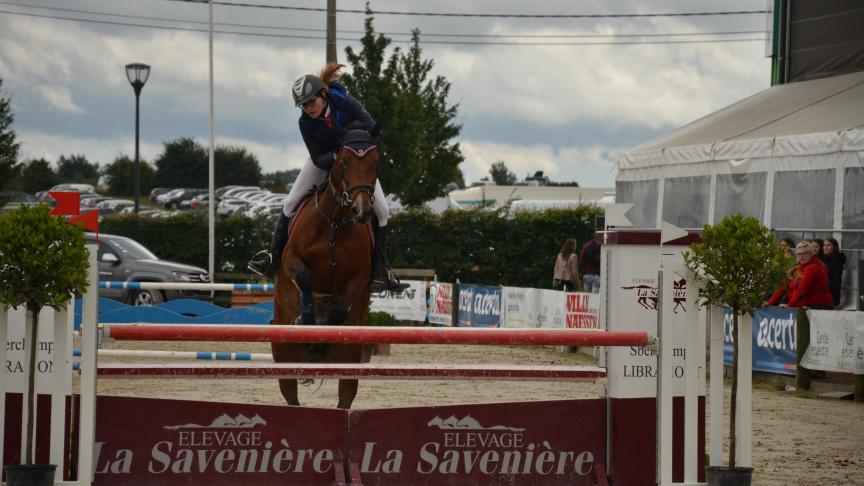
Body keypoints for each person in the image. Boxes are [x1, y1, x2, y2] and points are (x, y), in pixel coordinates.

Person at [248, 63, 407, 292]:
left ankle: (380, 271)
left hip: (354, 162)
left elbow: (374, 131)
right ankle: (272, 258)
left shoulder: (346, 104)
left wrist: (357, 148)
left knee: (383, 211)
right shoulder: (305, 122)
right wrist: (333, 156)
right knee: (290, 203)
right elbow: (316, 156)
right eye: (302, 105)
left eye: (311, 102)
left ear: (323, 95)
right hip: (324, 162)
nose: (308, 108)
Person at [777, 242, 834, 309]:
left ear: (811, 254)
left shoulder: (813, 267)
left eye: (805, 253)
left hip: (818, 306)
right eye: (799, 254)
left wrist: (790, 306)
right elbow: (783, 288)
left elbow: (802, 290)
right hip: (804, 305)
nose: (801, 256)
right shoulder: (796, 268)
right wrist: (769, 302)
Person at [821, 237, 846, 308]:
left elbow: (836, 282)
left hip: (830, 297)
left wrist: (827, 295)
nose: (825, 247)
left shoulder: (837, 263)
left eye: (828, 245)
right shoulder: (822, 260)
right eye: (824, 245)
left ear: (834, 247)